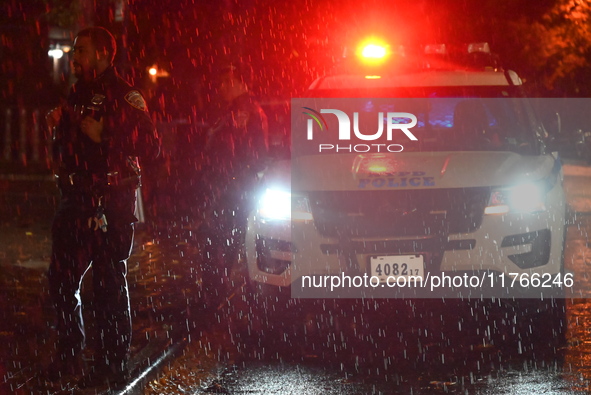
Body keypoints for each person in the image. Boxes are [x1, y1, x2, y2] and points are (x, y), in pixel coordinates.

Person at [45, 26, 160, 389]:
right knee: (61, 280)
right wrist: (58, 130)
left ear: (101, 55)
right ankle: (68, 354)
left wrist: (106, 134)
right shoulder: (75, 95)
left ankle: (112, 363)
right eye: (74, 51)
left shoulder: (124, 95)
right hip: (75, 200)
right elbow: (65, 149)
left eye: (81, 51)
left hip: (111, 202)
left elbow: (151, 147)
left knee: (109, 284)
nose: (74, 57)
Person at [198, 62, 268, 305]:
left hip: (234, 187)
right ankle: (220, 289)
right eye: (222, 83)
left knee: (220, 238)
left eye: (229, 82)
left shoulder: (244, 111)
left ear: (242, 83)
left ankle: (216, 292)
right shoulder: (232, 109)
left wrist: (229, 179)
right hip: (232, 185)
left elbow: (248, 152)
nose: (222, 87)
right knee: (223, 238)